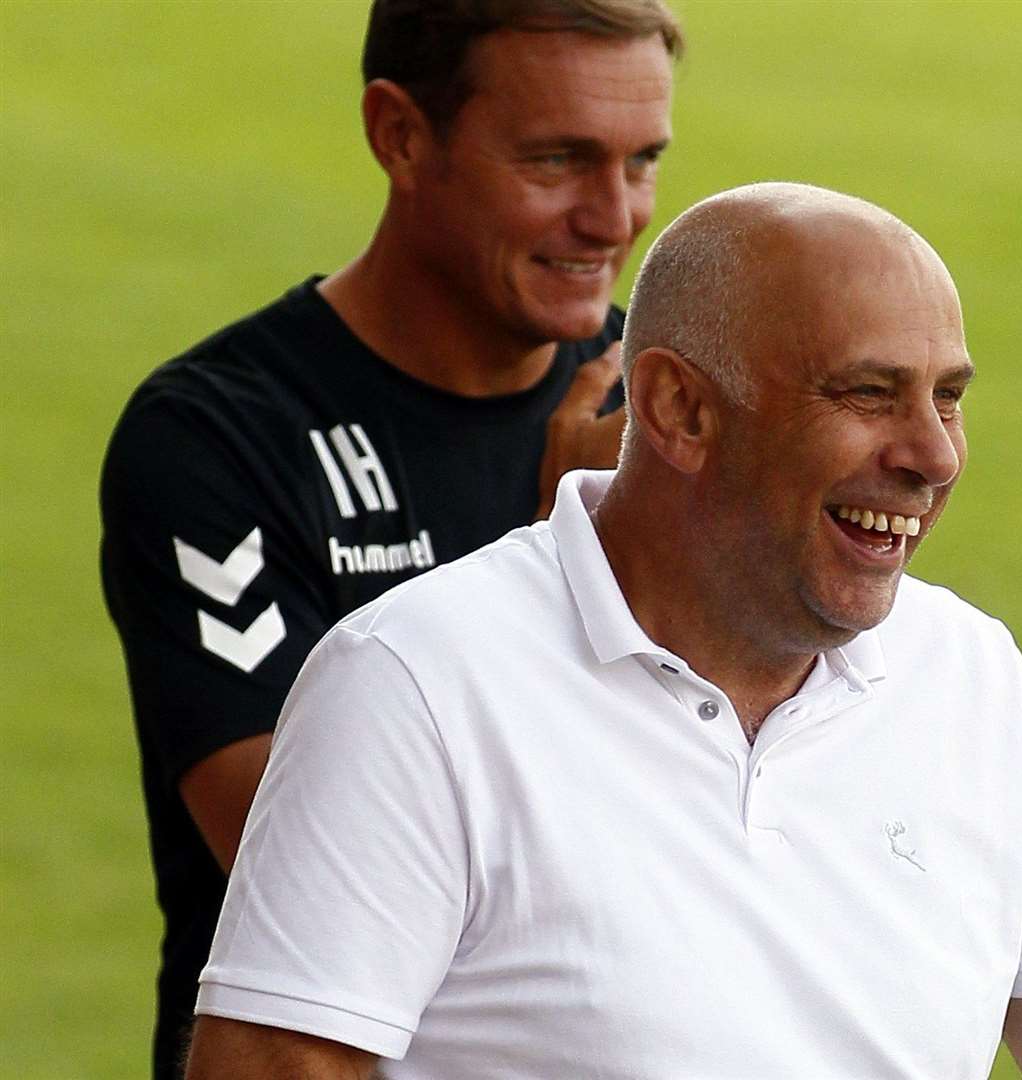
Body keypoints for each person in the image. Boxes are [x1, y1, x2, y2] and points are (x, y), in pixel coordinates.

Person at [183, 183, 1022, 1079]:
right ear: (680, 410)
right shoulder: (415, 683)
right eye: (868, 394)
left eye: (947, 398)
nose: (932, 455)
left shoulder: (968, 677)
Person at [97, 2, 682, 1075]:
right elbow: (309, 865)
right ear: (400, 134)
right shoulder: (217, 440)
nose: (615, 218)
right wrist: (558, 560)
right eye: (558, 160)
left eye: (641, 161)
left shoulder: (665, 409)